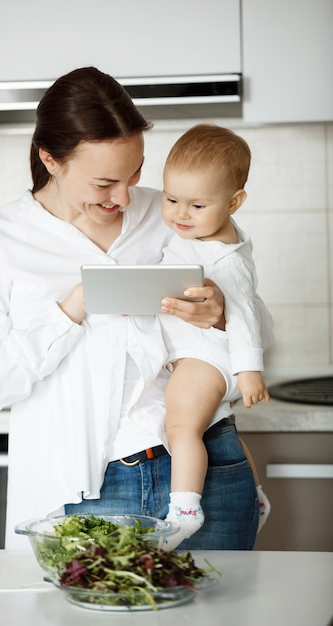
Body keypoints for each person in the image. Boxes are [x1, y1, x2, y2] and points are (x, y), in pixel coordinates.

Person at [0, 67, 273, 551]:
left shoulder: (174, 212)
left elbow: (257, 321)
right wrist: (73, 308)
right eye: (105, 182)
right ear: (51, 160)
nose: (125, 198)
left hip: (207, 461)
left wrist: (222, 312)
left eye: (135, 174)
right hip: (92, 489)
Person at [159, 124, 271, 549]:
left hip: (204, 356)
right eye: (171, 200)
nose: (180, 215)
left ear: (234, 202)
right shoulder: (205, 236)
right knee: (217, 427)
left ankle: (185, 510)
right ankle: (255, 499)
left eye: (197, 205)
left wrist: (250, 372)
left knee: (180, 426)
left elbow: (243, 315)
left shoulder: (226, 259)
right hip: (200, 353)